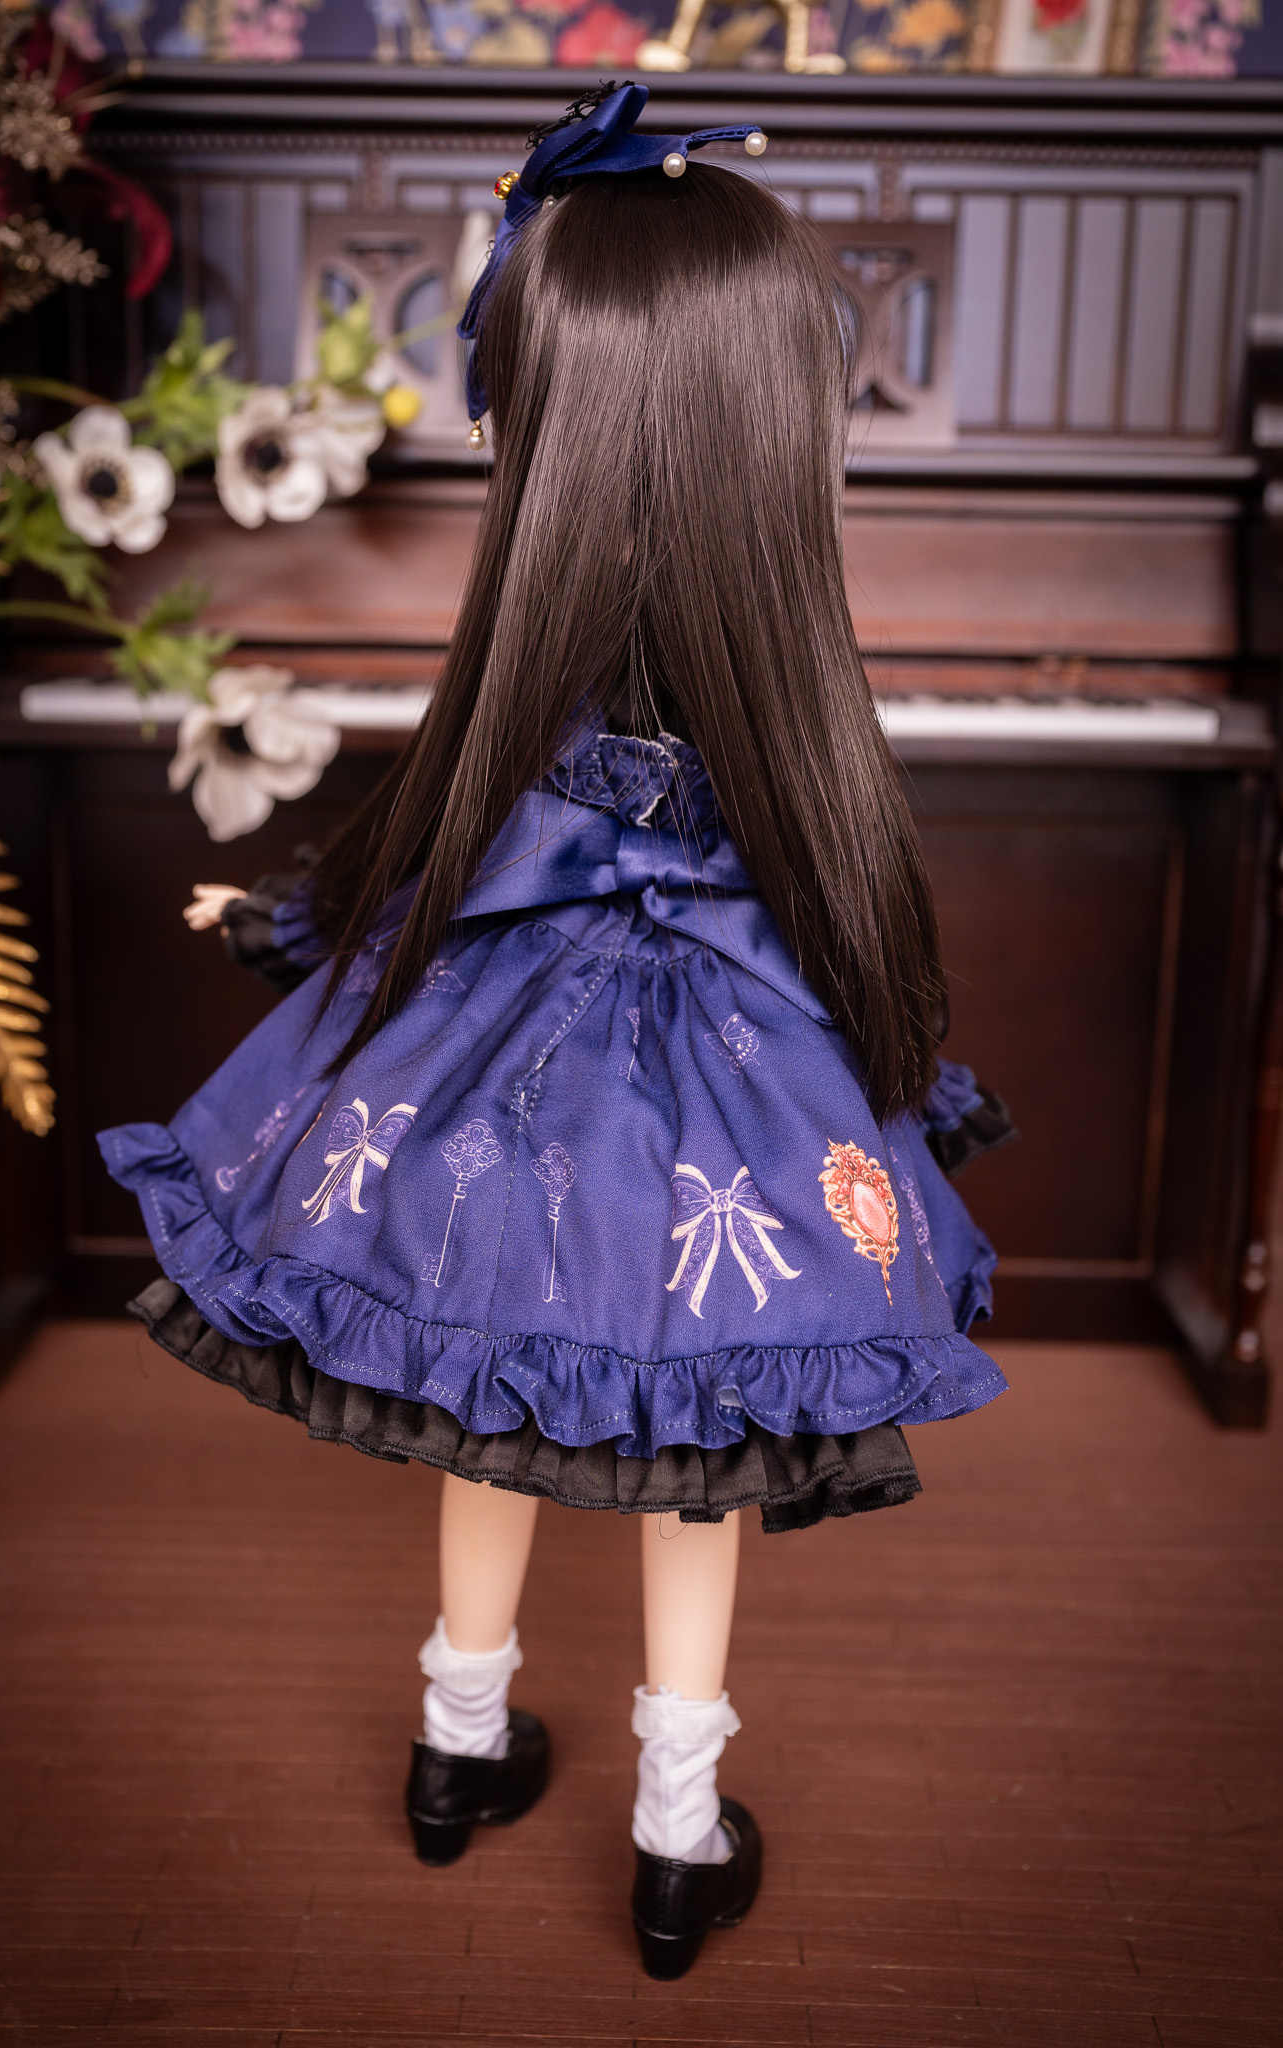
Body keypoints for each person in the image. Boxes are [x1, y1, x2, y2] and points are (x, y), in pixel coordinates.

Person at [101, 81, 1013, 1982]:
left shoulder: (534, 656)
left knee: (485, 1373)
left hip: (505, 1063)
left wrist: (295, 917)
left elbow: (448, 842)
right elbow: (804, 875)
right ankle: (676, 1832)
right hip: (728, 1083)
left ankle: (458, 1744)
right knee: (702, 1435)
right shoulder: (776, 673)